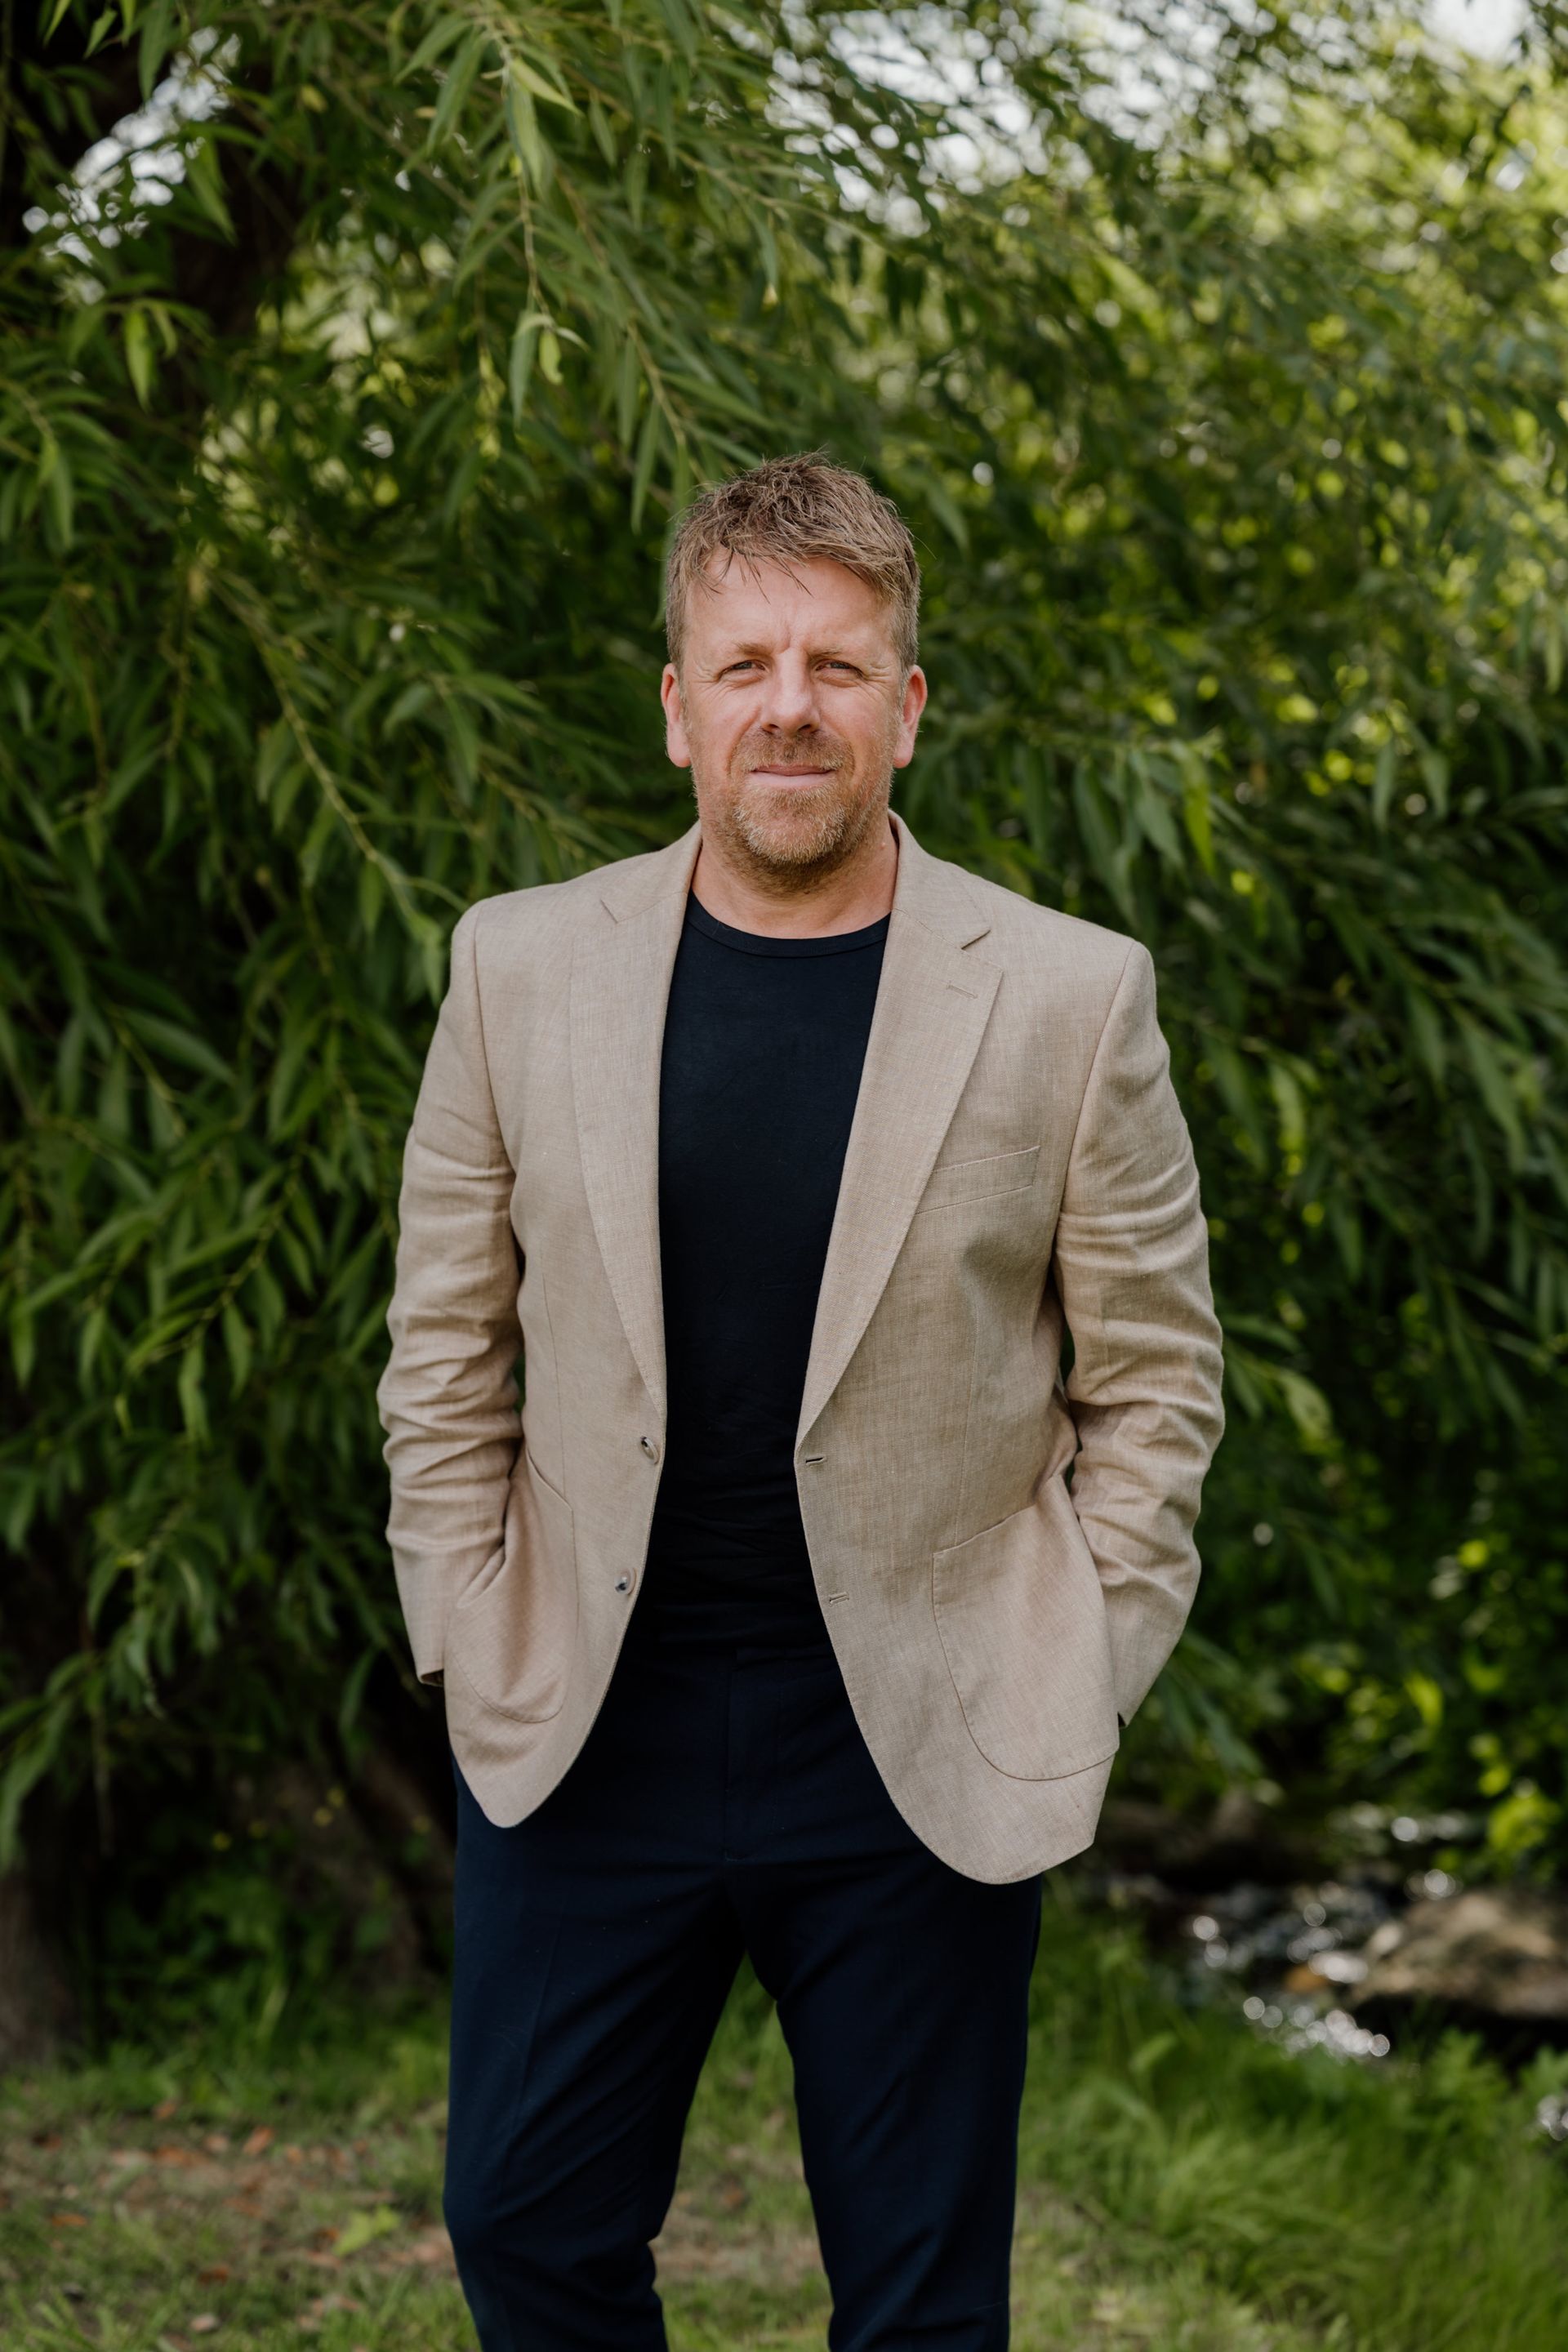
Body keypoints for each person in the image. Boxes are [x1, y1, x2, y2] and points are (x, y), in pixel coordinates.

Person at [376, 452, 1225, 2350]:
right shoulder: (518, 966)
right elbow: (444, 1348)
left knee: (921, 2302)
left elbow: (1158, 1375)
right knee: (523, 2221)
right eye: (745, 662)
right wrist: (459, 1620)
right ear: (675, 705)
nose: (789, 705)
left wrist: (1077, 1655)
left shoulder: (1071, 998)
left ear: (907, 711)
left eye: (837, 667)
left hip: (915, 1737)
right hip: (586, 1722)